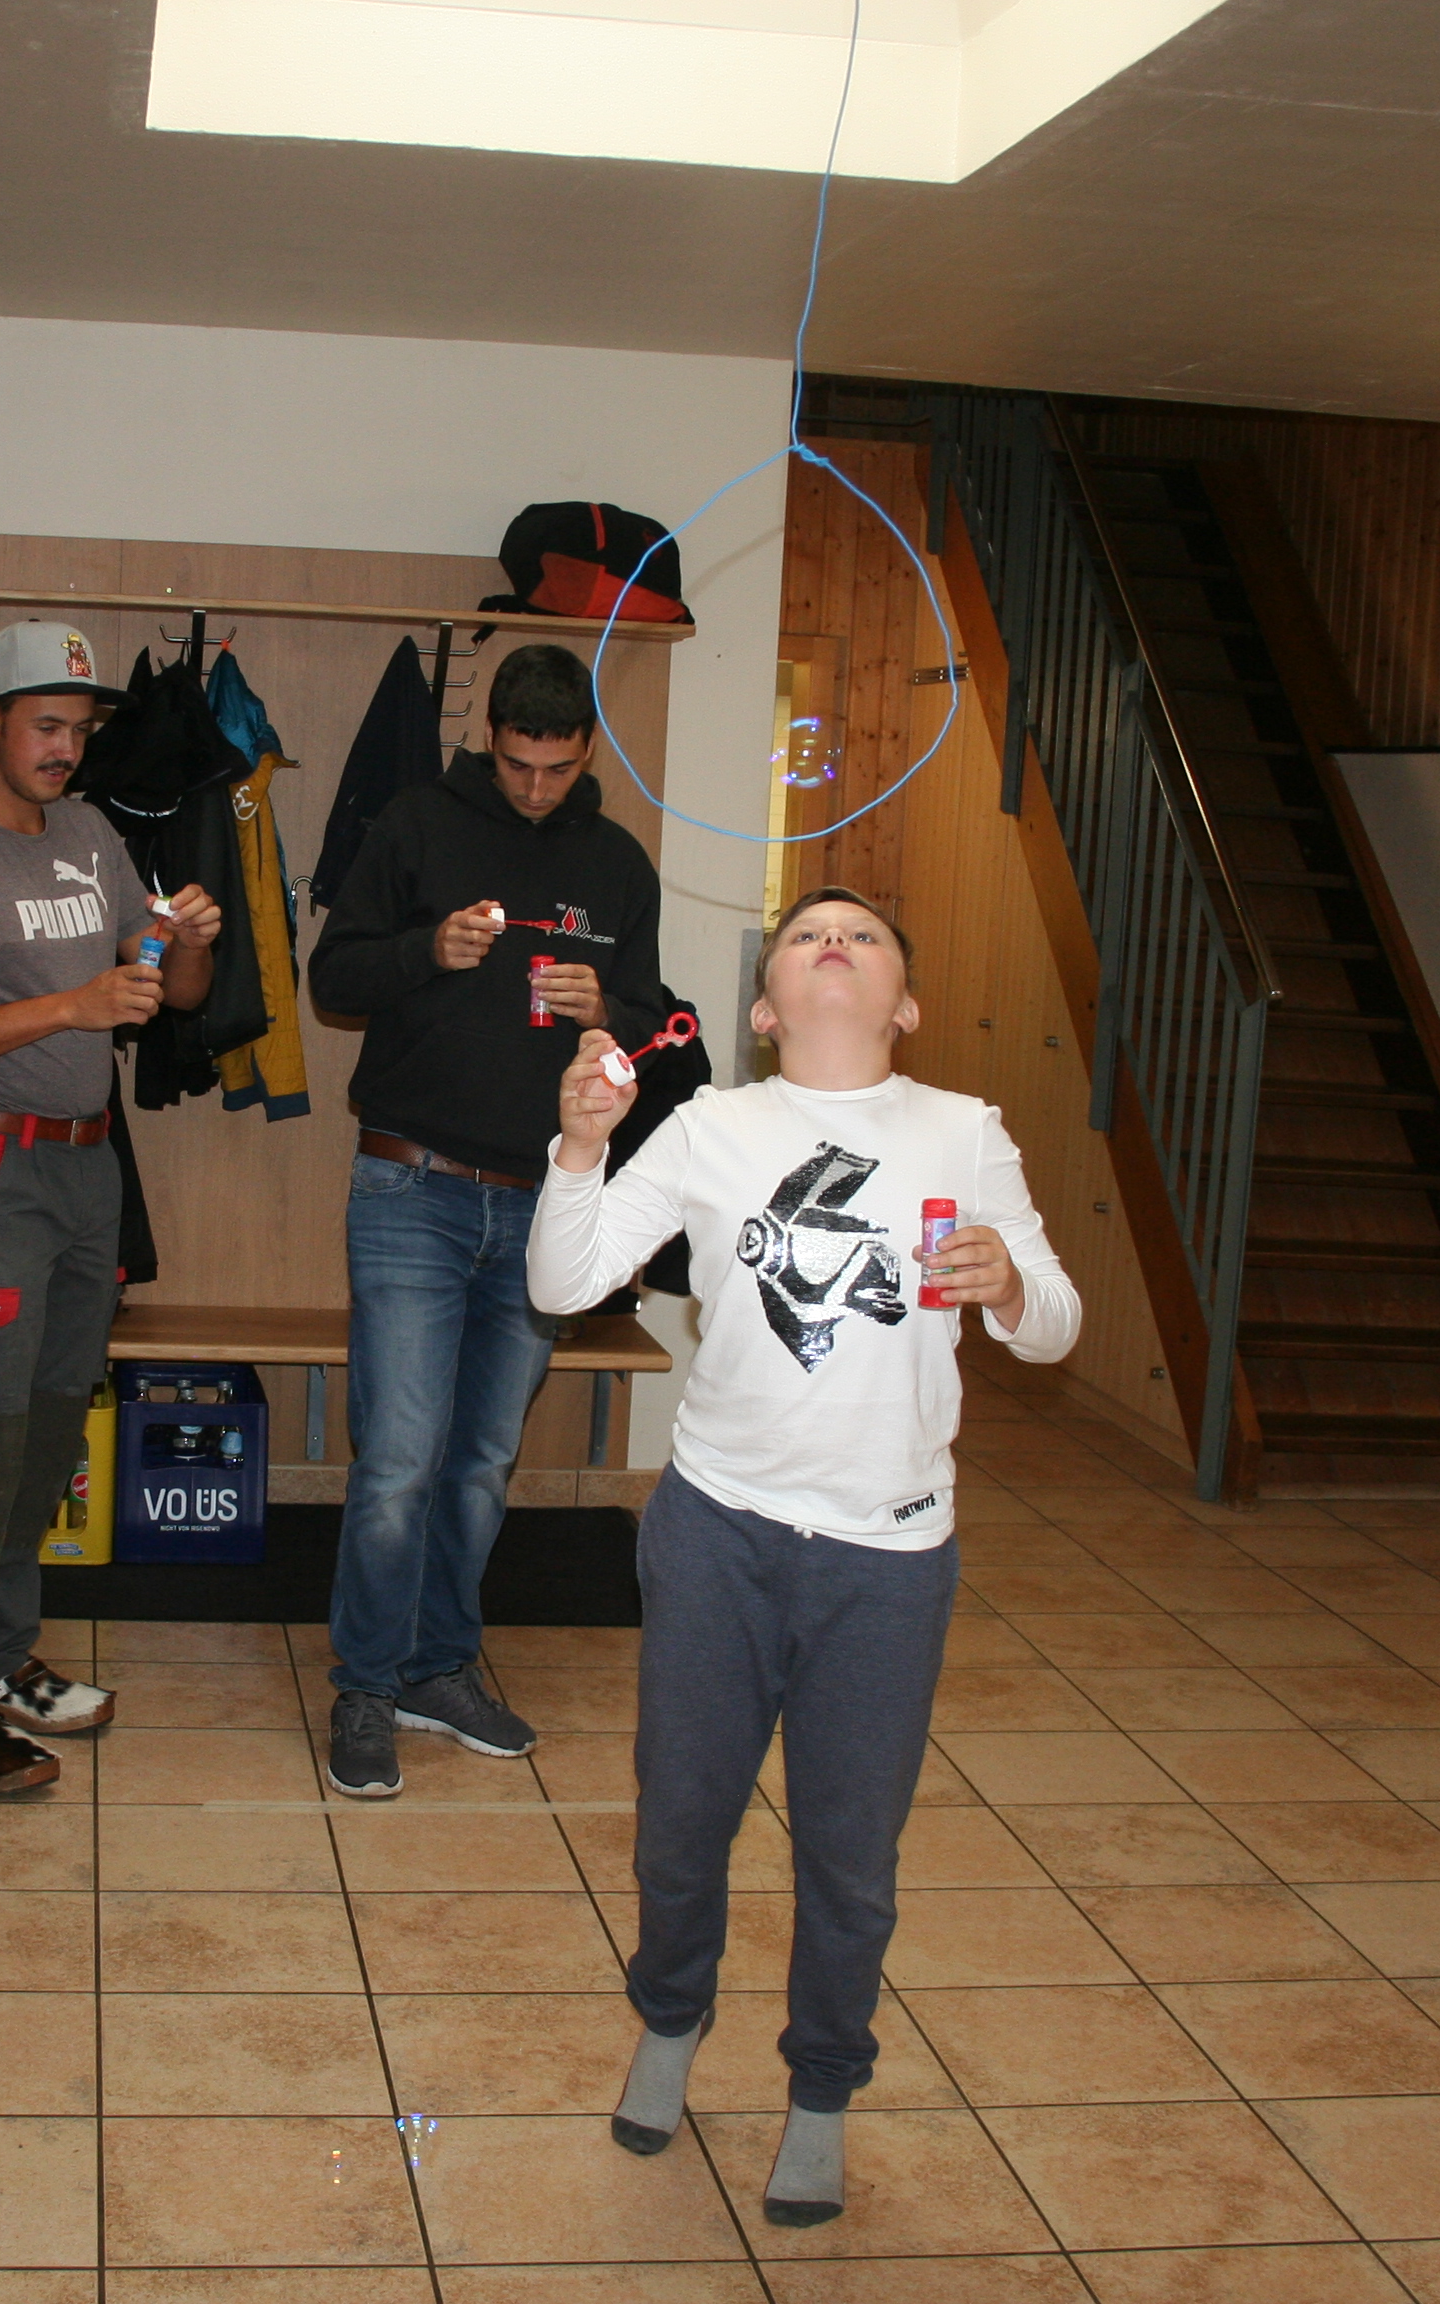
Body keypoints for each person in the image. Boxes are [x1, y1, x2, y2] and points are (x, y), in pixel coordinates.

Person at [526, 887, 1081, 2227]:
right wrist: (579, 1150)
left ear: (907, 1005)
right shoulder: (712, 1126)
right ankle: (670, 2023)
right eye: (806, 935)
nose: (835, 942)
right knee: (681, 1822)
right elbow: (562, 1283)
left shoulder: (965, 1131)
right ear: (765, 1010)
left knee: (849, 1857)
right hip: (716, 1535)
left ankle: (822, 2092)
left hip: (888, 1560)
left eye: (866, 935)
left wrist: (1011, 1285)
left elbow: (1056, 1322)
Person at [0, 621, 221, 1796]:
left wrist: (186, 942)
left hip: (86, 1169)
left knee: (49, 1430)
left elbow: (170, 993)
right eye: (47, 726)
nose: (67, 748)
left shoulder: (89, 834)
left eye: (80, 729)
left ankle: (2, 1655)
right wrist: (71, 1008)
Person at [305, 642, 664, 1800]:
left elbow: (658, 1025)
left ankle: (437, 1670)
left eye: (559, 769)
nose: (537, 788)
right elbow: (333, 980)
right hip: (412, 1187)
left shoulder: (618, 863)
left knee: (480, 1463)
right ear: (491, 738)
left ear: (586, 750)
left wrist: (608, 1007)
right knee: (400, 1459)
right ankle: (367, 1685)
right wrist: (429, 949)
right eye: (518, 765)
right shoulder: (417, 822)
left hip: (547, 1203)